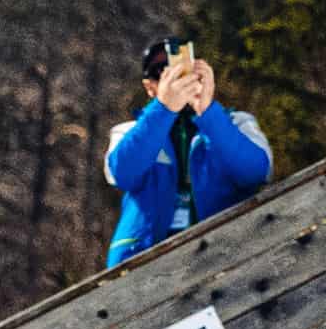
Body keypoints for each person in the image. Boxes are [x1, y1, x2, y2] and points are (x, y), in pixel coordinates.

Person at [104, 37, 273, 268]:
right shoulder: (129, 132)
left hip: (221, 257)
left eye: (181, 69)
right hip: (144, 262)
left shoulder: (236, 123)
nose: (173, 78)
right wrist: (164, 109)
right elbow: (123, 172)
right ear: (149, 87)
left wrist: (207, 111)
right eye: (160, 72)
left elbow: (256, 172)